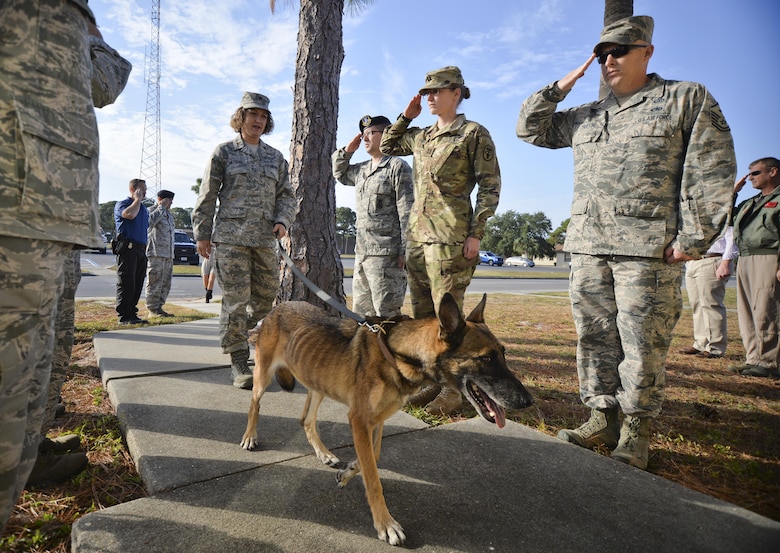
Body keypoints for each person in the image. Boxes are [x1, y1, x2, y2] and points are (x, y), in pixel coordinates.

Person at [516, 15, 736, 469]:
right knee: (594, 337)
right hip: (588, 246)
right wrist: (564, 84)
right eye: (601, 53)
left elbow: (712, 168)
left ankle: (635, 429)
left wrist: (693, 239)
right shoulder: (587, 115)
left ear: (647, 51)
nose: (609, 59)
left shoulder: (684, 98)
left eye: (618, 50)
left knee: (642, 343)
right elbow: (529, 128)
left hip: (649, 249)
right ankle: (601, 415)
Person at [0, 0, 130, 530]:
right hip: (16, 196)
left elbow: (106, 82)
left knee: (33, 365)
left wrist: (86, 24)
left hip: (49, 206)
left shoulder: (70, 15)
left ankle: (26, 459)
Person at [380, 66, 501, 415]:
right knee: (423, 321)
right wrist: (406, 116)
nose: (429, 97)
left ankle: (454, 390)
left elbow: (490, 186)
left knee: (449, 322)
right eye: (427, 92)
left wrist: (477, 233)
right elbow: (388, 144)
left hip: (451, 239)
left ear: (457, 93)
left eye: (437, 91)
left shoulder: (473, 134)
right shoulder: (422, 136)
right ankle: (431, 382)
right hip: (418, 238)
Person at [192, 92, 296, 389]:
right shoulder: (224, 152)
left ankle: (235, 329)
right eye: (253, 115)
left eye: (263, 116)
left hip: (264, 239)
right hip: (231, 239)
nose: (258, 121)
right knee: (236, 300)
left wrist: (282, 220)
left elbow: (286, 196)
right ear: (241, 118)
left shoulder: (275, 157)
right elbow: (207, 195)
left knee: (265, 298)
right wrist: (202, 233)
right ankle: (239, 360)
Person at [332, 115, 414, 318]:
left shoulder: (397, 167)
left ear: (385, 134)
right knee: (361, 316)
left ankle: (387, 351)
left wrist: (406, 250)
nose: (365, 138)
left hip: (387, 256)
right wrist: (348, 150)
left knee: (386, 316)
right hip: (363, 253)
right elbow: (339, 173)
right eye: (363, 134)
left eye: (370, 133)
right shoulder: (362, 170)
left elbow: (408, 212)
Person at [727, 158, 780, 379]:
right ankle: (753, 358)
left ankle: (770, 362)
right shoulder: (752, 201)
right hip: (746, 258)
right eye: (749, 174)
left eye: (755, 173)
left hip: (769, 257)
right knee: (747, 312)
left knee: (767, 310)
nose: (750, 178)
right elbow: (727, 219)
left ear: (773, 172)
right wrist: (733, 194)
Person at [679, 226, 738, 359]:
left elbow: (732, 238)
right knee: (697, 305)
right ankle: (700, 343)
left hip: (712, 259)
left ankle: (715, 347)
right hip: (693, 261)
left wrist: (725, 263)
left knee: (711, 305)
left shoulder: (723, 210)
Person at [114, 179, 150, 325]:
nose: (145, 192)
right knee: (127, 282)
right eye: (142, 189)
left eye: (145, 190)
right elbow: (129, 215)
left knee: (137, 283)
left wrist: (139, 202)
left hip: (140, 250)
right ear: (133, 189)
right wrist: (136, 200)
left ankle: (132, 313)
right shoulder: (123, 204)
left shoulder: (143, 209)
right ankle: (124, 316)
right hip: (128, 248)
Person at [145, 189, 176, 317]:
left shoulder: (169, 214)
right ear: (161, 199)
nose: (171, 203)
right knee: (154, 281)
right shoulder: (151, 211)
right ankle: (152, 309)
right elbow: (149, 223)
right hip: (156, 253)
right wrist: (161, 207)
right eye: (169, 200)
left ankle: (159, 307)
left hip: (168, 254)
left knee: (165, 282)